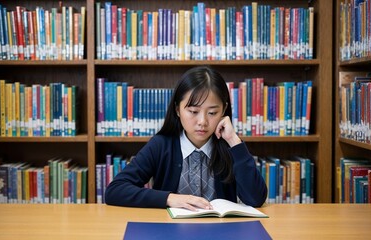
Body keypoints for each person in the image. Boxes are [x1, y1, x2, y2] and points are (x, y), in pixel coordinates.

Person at [105, 66, 267, 210]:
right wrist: (169, 198)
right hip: (169, 232)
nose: (202, 122)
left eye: (212, 113)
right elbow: (115, 190)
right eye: (193, 112)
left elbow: (255, 199)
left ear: (224, 110)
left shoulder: (230, 147)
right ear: (177, 109)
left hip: (221, 232)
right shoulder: (161, 145)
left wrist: (234, 141)